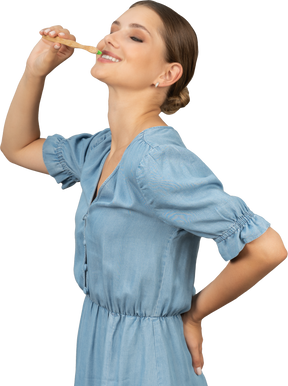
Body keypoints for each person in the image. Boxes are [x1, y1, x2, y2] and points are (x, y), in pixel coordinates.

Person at [0, 1, 287, 385]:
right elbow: (16, 149)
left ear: (167, 74)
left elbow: (268, 248)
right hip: (96, 342)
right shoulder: (100, 148)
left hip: (146, 357)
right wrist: (35, 71)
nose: (110, 38)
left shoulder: (157, 161)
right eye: (112, 27)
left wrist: (196, 313)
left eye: (135, 36)